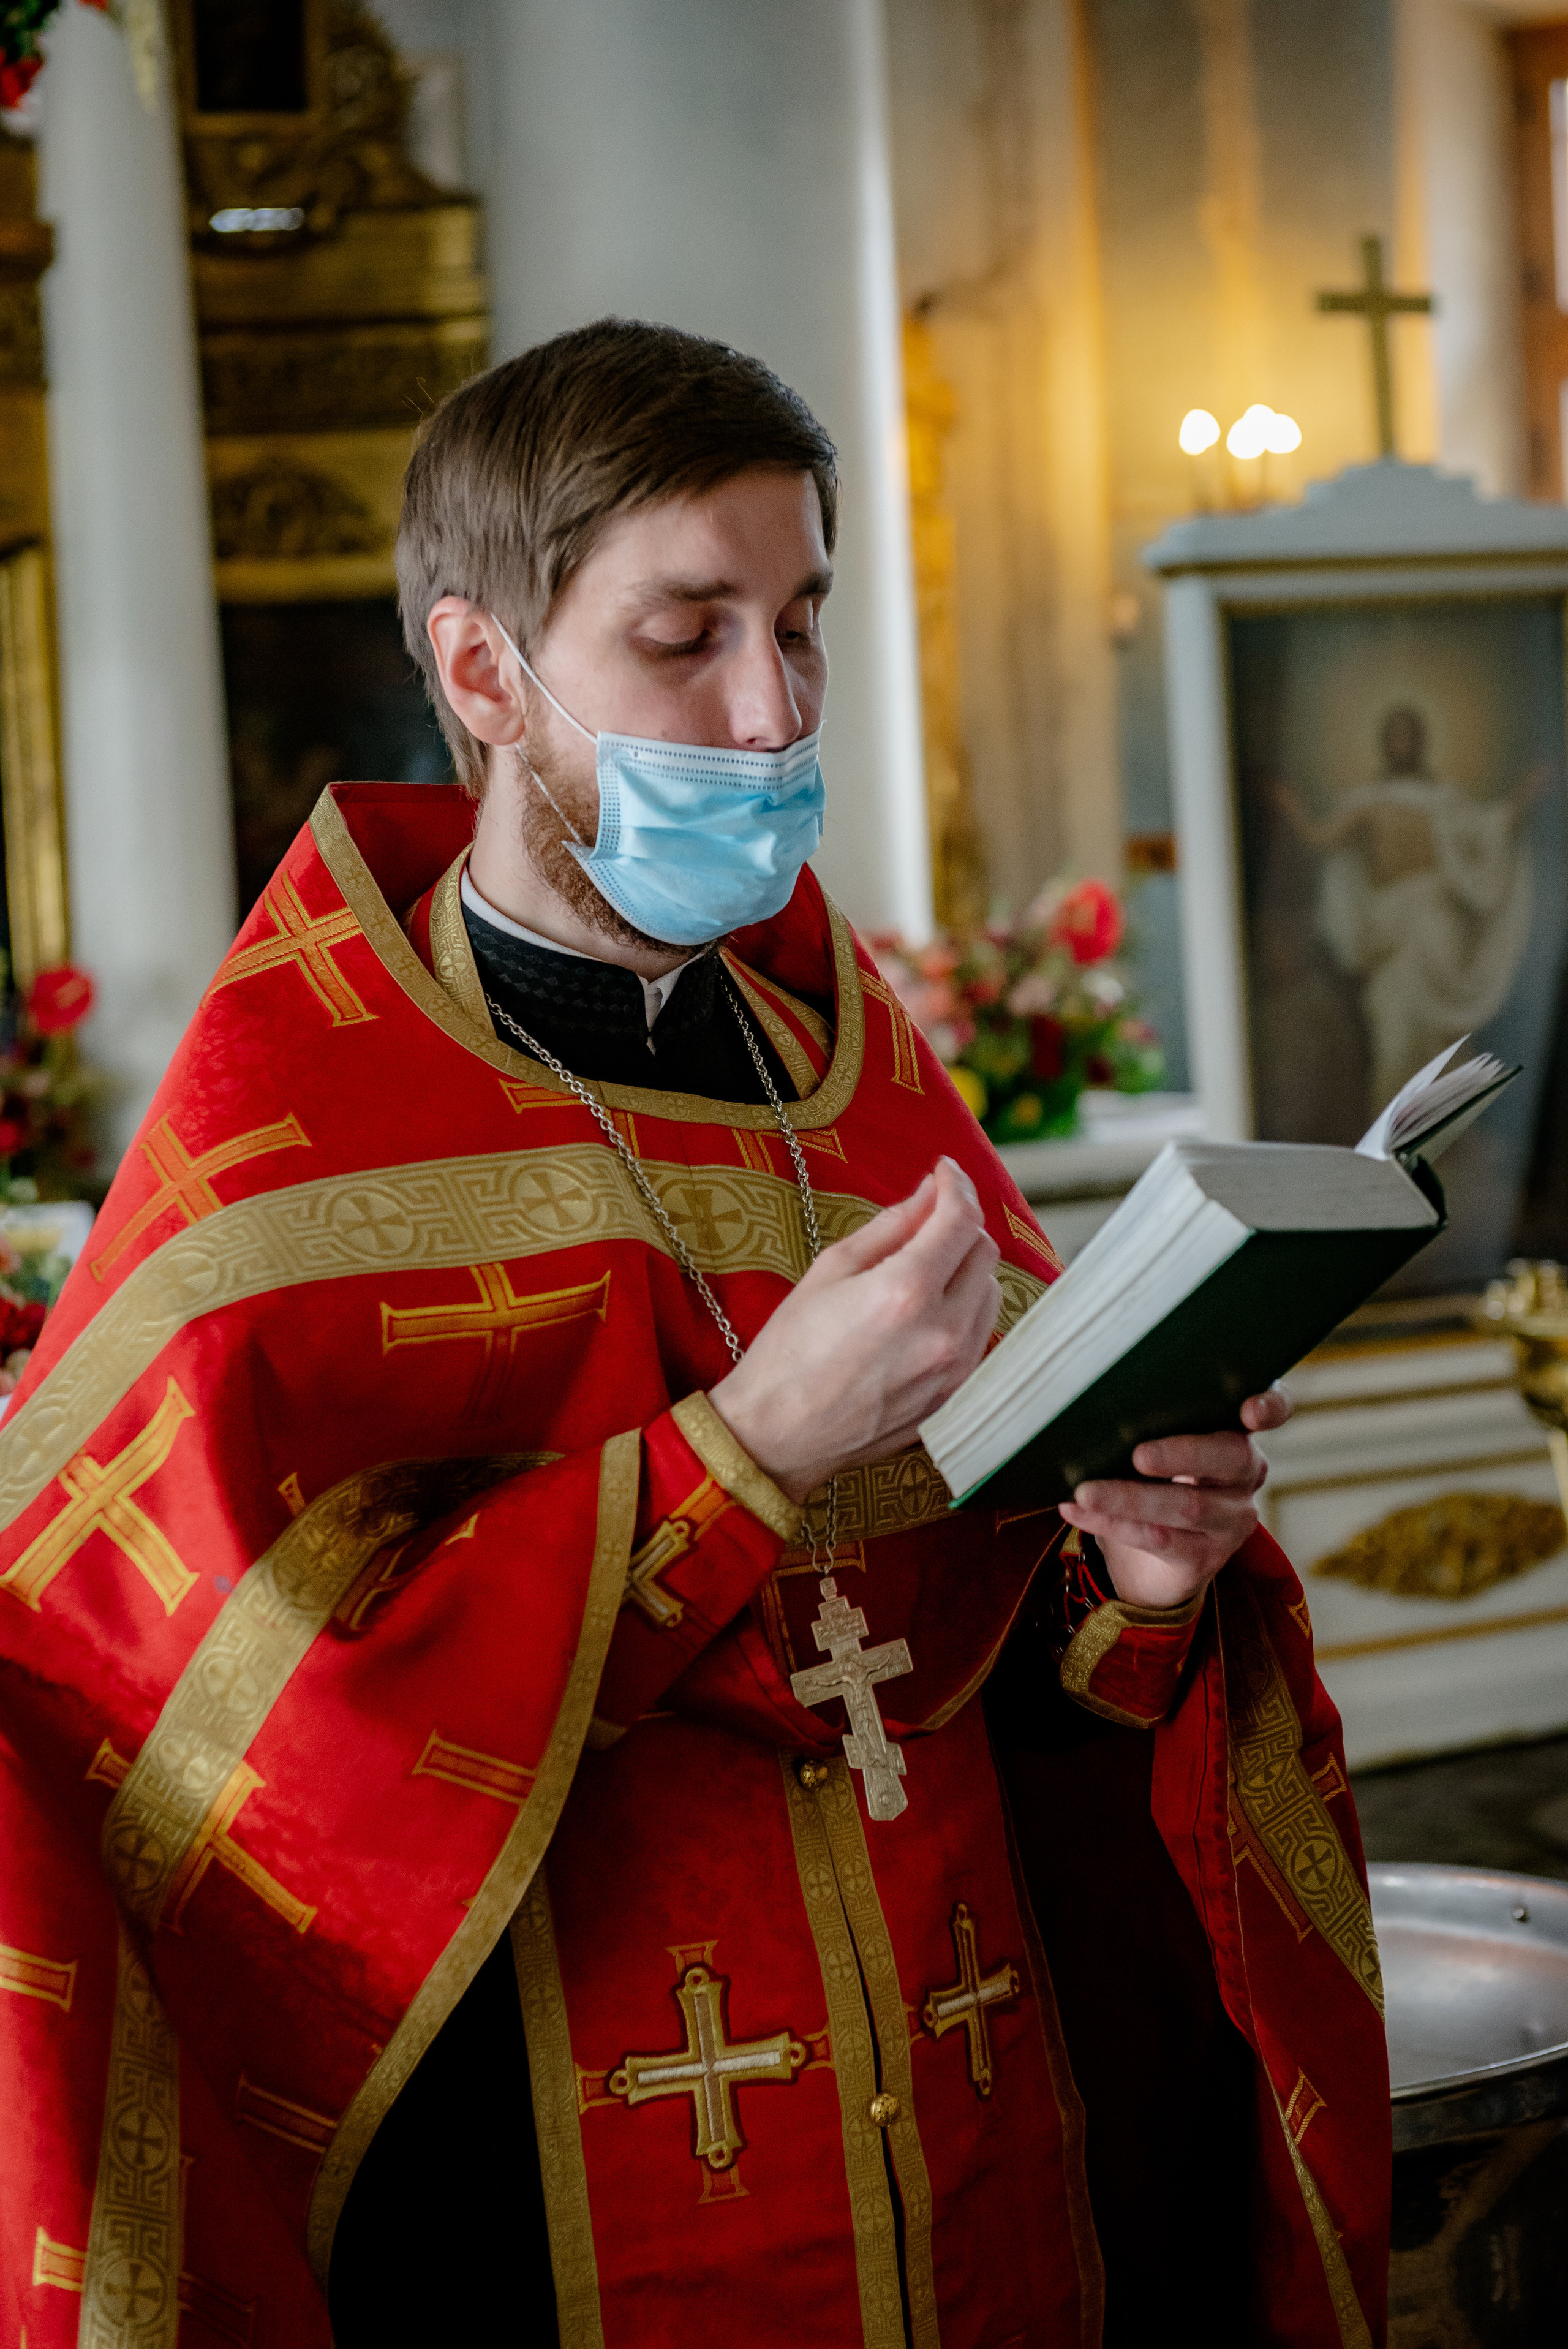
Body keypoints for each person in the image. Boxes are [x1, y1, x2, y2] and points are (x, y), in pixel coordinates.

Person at [0, 322, 1389, 2349]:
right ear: (485, 674)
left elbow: (1005, 1652)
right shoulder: (284, 1137)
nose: (772, 713)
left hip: (983, 2142)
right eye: (686, 637)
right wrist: (737, 1454)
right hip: (551, 2186)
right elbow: (211, 1761)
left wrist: (1143, 1582)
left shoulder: (853, 1069)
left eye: (804, 622)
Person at [1275, 704, 1539, 1108]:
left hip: (1437, 920)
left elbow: (1493, 827)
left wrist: (1528, 793)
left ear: (1420, 742)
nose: (1403, 742)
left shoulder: (1444, 800)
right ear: (1386, 743)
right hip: (1391, 926)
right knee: (1395, 1035)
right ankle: (1394, 1136)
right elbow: (1321, 839)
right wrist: (1288, 803)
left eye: (1410, 734)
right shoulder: (1367, 800)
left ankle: (1444, 1138)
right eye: (1396, 735)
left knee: (1441, 1039)